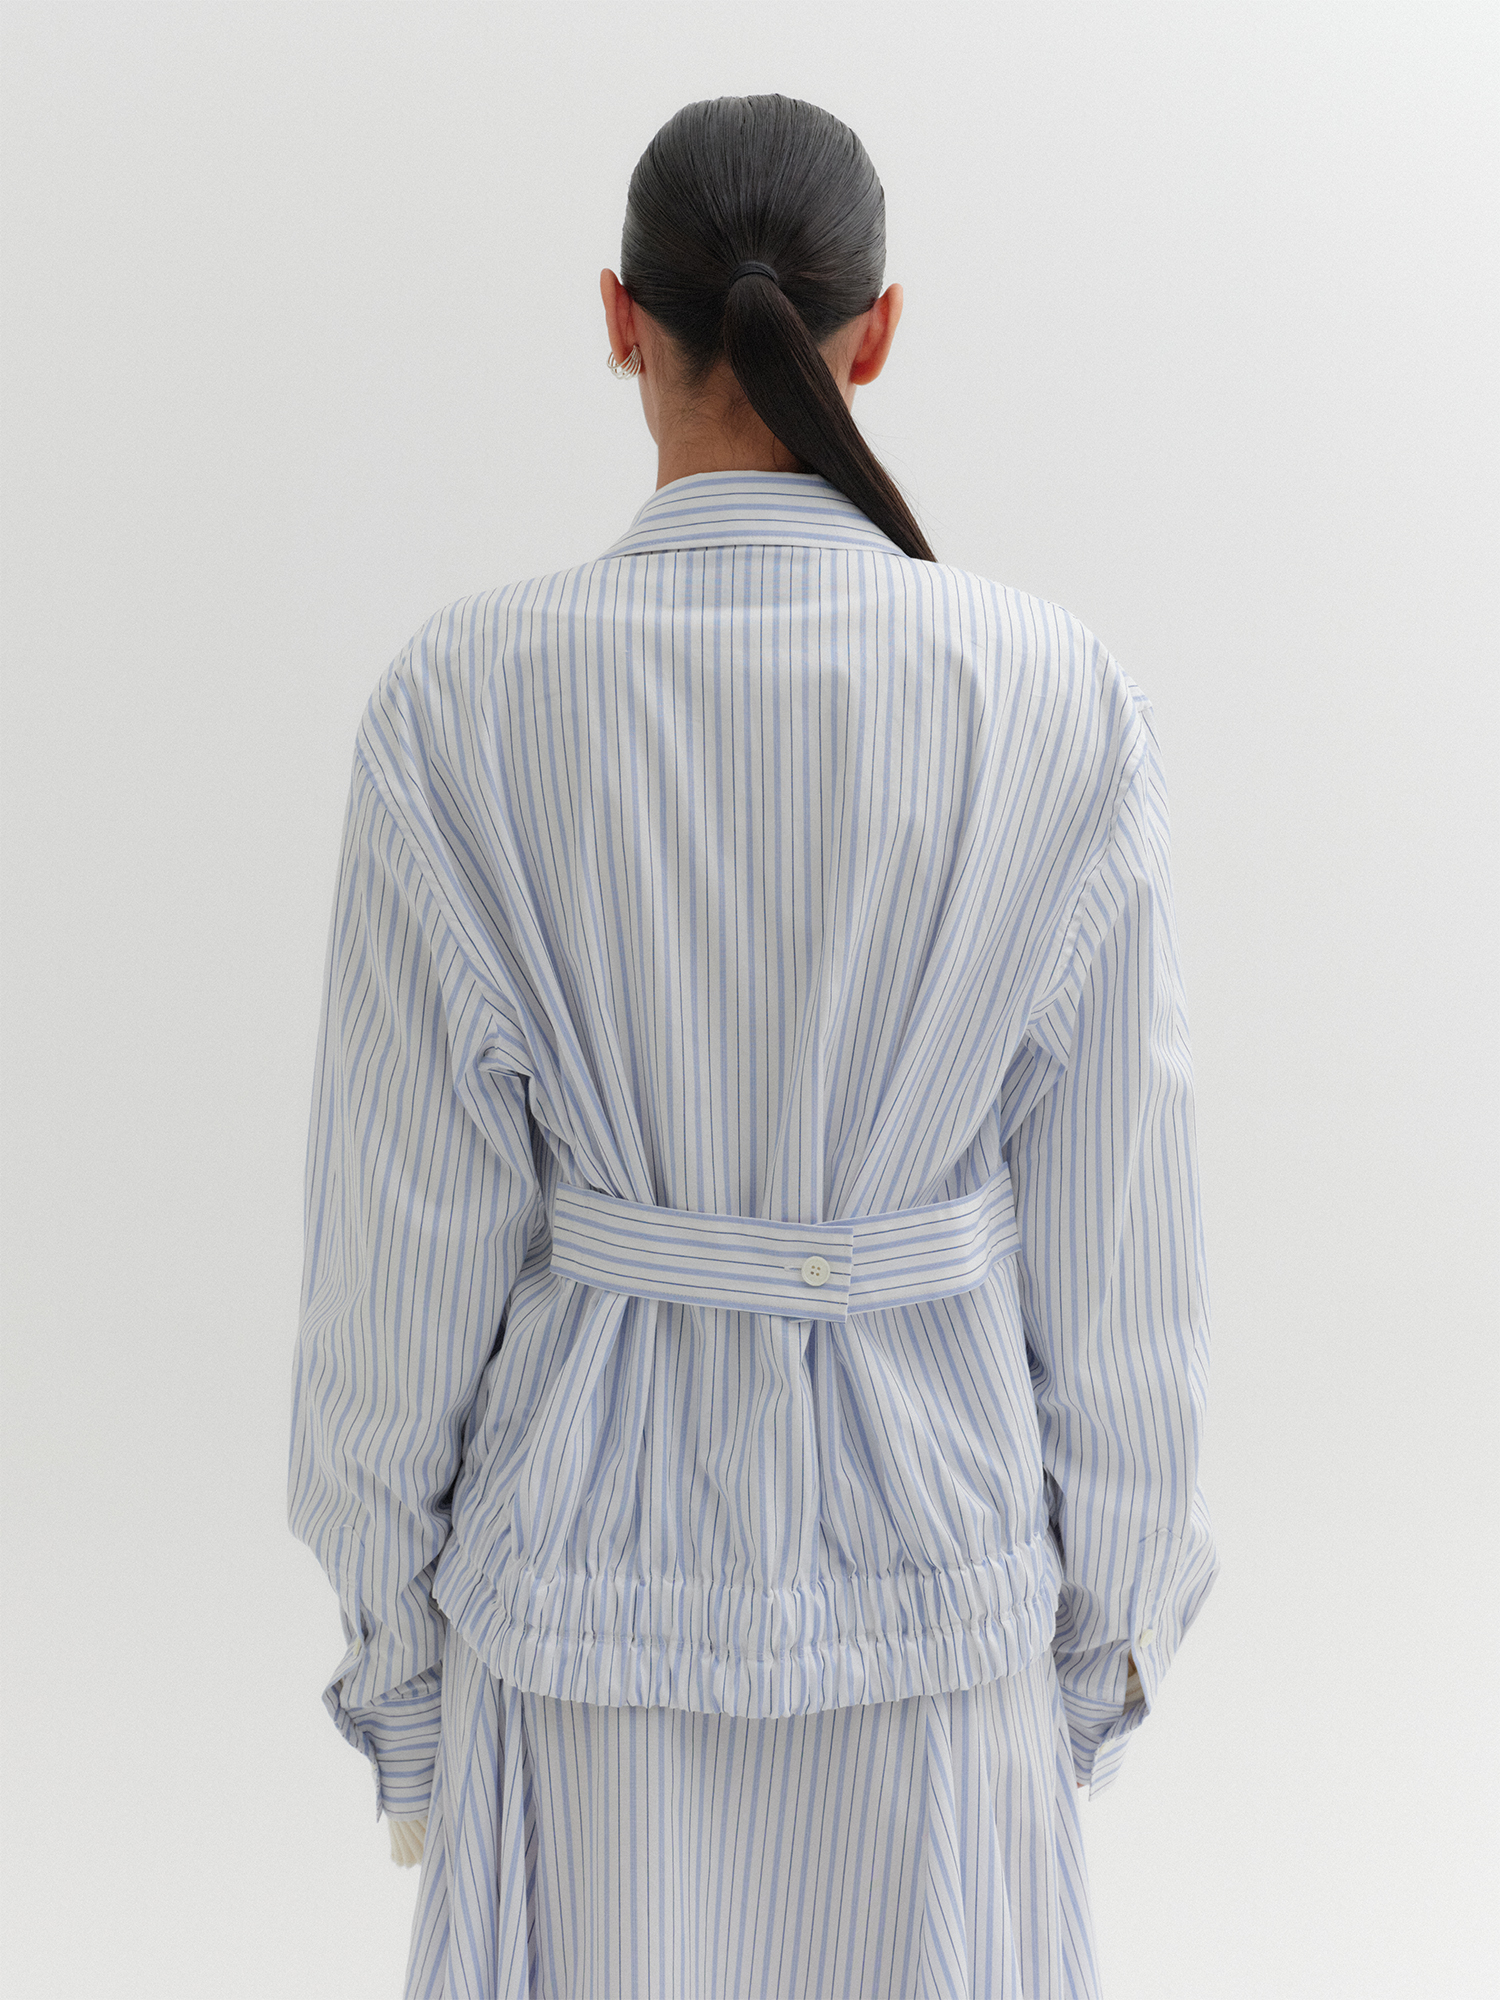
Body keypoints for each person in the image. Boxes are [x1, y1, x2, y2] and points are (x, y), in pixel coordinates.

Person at [287, 91, 1221, 2000]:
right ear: (879, 336)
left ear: (616, 319)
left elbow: (394, 1275)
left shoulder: (460, 707)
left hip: (576, 1609)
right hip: (939, 1597)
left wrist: (400, 1682)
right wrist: (1101, 1645)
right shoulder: (1055, 700)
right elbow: (1126, 1249)